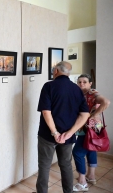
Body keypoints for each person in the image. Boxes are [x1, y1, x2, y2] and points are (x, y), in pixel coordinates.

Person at [36, 61, 90, 193]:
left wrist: (55, 133)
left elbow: (46, 112)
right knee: (66, 165)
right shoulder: (76, 89)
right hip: (67, 136)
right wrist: (70, 133)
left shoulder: (49, 86)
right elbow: (85, 114)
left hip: (47, 135)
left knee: (44, 166)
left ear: (56, 71)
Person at [72, 74, 111, 192]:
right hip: (94, 126)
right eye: (79, 82)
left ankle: (82, 182)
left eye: (84, 82)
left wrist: (94, 114)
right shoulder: (80, 94)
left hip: (90, 127)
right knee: (91, 148)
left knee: (77, 153)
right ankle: (91, 176)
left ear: (90, 84)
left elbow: (106, 102)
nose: (82, 84)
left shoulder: (92, 93)